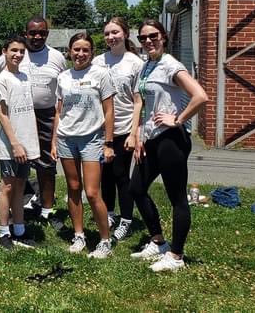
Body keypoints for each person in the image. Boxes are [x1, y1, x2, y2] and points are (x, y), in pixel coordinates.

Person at [129, 19, 209, 272]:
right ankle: (158, 242)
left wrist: (178, 119)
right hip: (151, 138)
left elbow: (200, 96)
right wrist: (139, 135)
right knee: (136, 188)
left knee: (177, 198)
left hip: (171, 140)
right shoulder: (146, 66)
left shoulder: (171, 65)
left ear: (163, 37)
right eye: (143, 38)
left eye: (153, 36)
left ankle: (176, 256)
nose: (148, 41)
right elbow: (143, 105)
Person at [0, 16, 67, 230]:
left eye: (42, 33)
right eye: (32, 33)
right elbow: (0, 87)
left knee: (47, 163)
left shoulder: (57, 57)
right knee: (16, 166)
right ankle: (12, 215)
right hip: (18, 116)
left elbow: (64, 87)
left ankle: (46, 209)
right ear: (26, 33)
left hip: (46, 115)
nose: (37, 36)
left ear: (47, 34)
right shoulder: (13, 54)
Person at [51, 32, 117, 259]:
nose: (80, 54)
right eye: (76, 49)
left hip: (92, 139)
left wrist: (108, 143)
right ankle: (79, 235)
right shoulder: (63, 77)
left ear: (92, 52)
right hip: (66, 138)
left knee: (92, 192)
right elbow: (59, 112)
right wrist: (54, 141)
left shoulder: (101, 75)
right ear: (69, 52)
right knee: (73, 187)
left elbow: (109, 111)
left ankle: (105, 241)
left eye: (85, 50)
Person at [92, 17, 144, 241]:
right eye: (107, 34)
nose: (111, 37)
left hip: (124, 127)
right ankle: (109, 214)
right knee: (105, 175)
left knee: (122, 175)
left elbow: (138, 101)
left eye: (115, 32)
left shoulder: (135, 63)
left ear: (125, 34)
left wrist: (134, 133)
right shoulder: (97, 62)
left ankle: (126, 220)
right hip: (100, 129)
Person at [0, 36, 39, 250]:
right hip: (10, 144)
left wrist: (30, 141)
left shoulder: (25, 77)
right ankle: (3, 233)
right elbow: (2, 114)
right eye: (14, 50)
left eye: (21, 51)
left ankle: (19, 230)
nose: (18, 55)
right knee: (8, 186)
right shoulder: (2, 79)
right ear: (5, 51)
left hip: (26, 141)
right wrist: (15, 144)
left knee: (21, 185)